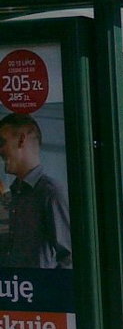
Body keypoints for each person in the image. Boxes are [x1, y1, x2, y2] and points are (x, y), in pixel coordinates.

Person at [0, 113, 72, 269]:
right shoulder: (14, 193)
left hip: (36, 290)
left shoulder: (50, 192)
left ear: (21, 140)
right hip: (15, 289)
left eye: (2, 142)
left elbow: (68, 257)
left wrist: (48, 289)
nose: (0, 150)